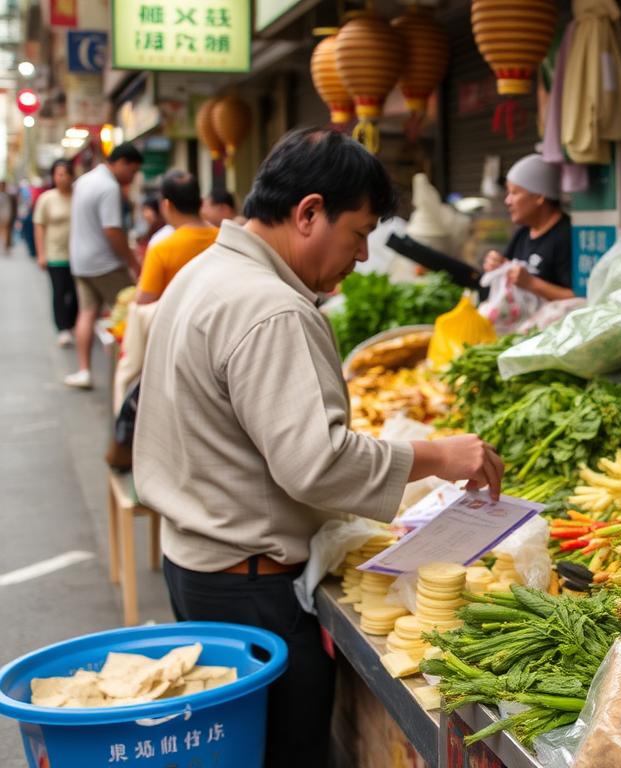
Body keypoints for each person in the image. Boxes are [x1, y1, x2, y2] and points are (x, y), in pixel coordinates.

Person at [134, 128, 504, 767]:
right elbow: (319, 464)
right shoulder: (273, 308)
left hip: (196, 562)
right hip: (249, 583)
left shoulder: (203, 272)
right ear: (308, 212)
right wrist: (441, 456)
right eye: (358, 233)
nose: (362, 256)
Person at [66, 144, 143, 389]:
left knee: (86, 313)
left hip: (81, 261)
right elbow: (112, 230)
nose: (133, 177)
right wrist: (132, 261)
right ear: (123, 163)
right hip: (105, 263)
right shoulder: (109, 187)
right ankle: (130, 373)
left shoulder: (84, 181)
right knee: (130, 311)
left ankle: (84, 371)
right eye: (133, 170)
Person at [481, 154, 575, 301]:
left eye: (514, 193)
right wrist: (497, 266)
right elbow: (508, 272)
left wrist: (531, 283)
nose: (507, 201)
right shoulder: (523, 233)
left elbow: (579, 299)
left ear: (539, 197)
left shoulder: (567, 236)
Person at [134, 170, 217, 303]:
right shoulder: (223, 238)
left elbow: (144, 299)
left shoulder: (161, 248)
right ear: (201, 202)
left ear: (166, 205)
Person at [33, 160, 78, 346]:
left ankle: (71, 323)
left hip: (77, 255)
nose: (61, 178)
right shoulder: (47, 199)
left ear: (71, 176)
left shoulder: (78, 197)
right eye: (57, 174)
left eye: (64, 174)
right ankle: (63, 329)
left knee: (76, 293)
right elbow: (39, 226)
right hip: (55, 255)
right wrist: (41, 254)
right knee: (59, 292)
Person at [0, 181, 15, 255]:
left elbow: (11, 207)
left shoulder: (9, 195)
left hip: (6, 216)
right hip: (3, 216)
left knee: (6, 232)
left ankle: (6, 246)